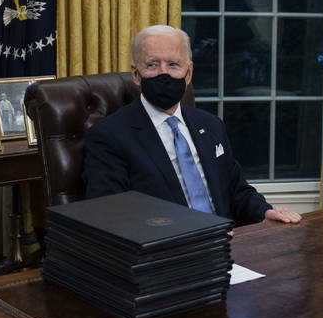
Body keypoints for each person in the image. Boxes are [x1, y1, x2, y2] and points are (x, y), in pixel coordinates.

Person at [84, 25, 302, 226]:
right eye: (152, 65)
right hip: (169, 255)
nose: (164, 73)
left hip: (227, 246)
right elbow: (112, 216)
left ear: (188, 74)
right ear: (136, 75)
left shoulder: (210, 125)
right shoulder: (109, 136)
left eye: (173, 64)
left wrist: (265, 212)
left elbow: (236, 191)